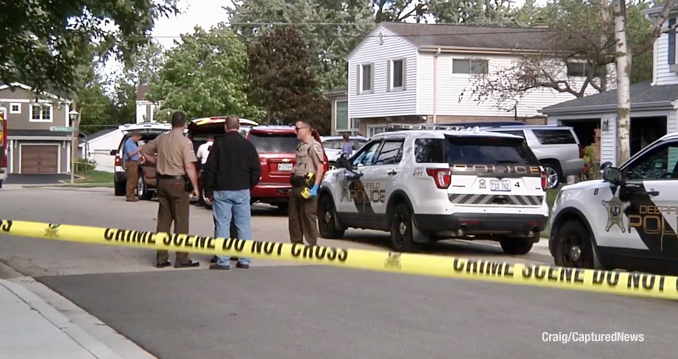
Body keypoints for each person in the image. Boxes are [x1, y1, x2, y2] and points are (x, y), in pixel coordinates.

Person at [141, 110, 201, 268]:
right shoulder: (184, 141)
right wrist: (195, 187)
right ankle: (181, 258)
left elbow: (144, 150)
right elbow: (189, 165)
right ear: (184, 124)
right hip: (177, 183)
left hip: (162, 182)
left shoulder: (161, 138)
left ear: (171, 123)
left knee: (163, 221)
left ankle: (161, 257)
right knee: (181, 222)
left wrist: (156, 163)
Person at [203, 115, 261, 270]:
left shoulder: (219, 144)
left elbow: (210, 168)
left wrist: (208, 189)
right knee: (243, 225)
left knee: (223, 224)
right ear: (239, 126)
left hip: (222, 189)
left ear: (225, 127)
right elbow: (257, 169)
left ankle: (223, 260)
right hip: (242, 189)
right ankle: (244, 260)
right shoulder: (248, 145)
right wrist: (249, 184)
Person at [289, 119, 325, 246]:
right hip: (296, 185)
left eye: (297, 129)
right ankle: (297, 244)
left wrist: (315, 187)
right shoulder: (301, 146)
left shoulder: (314, 146)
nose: (296, 132)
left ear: (307, 129)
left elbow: (320, 167)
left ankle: (311, 245)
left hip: (307, 185)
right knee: (294, 218)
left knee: (308, 216)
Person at [123, 132, 144, 202]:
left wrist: (140, 157)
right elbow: (130, 154)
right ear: (135, 136)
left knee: (134, 179)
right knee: (131, 179)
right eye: (138, 138)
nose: (138, 140)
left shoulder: (133, 143)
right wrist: (138, 150)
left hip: (134, 162)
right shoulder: (129, 143)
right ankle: (129, 196)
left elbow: (136, 154)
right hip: (131, 162)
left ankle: (132, 195)